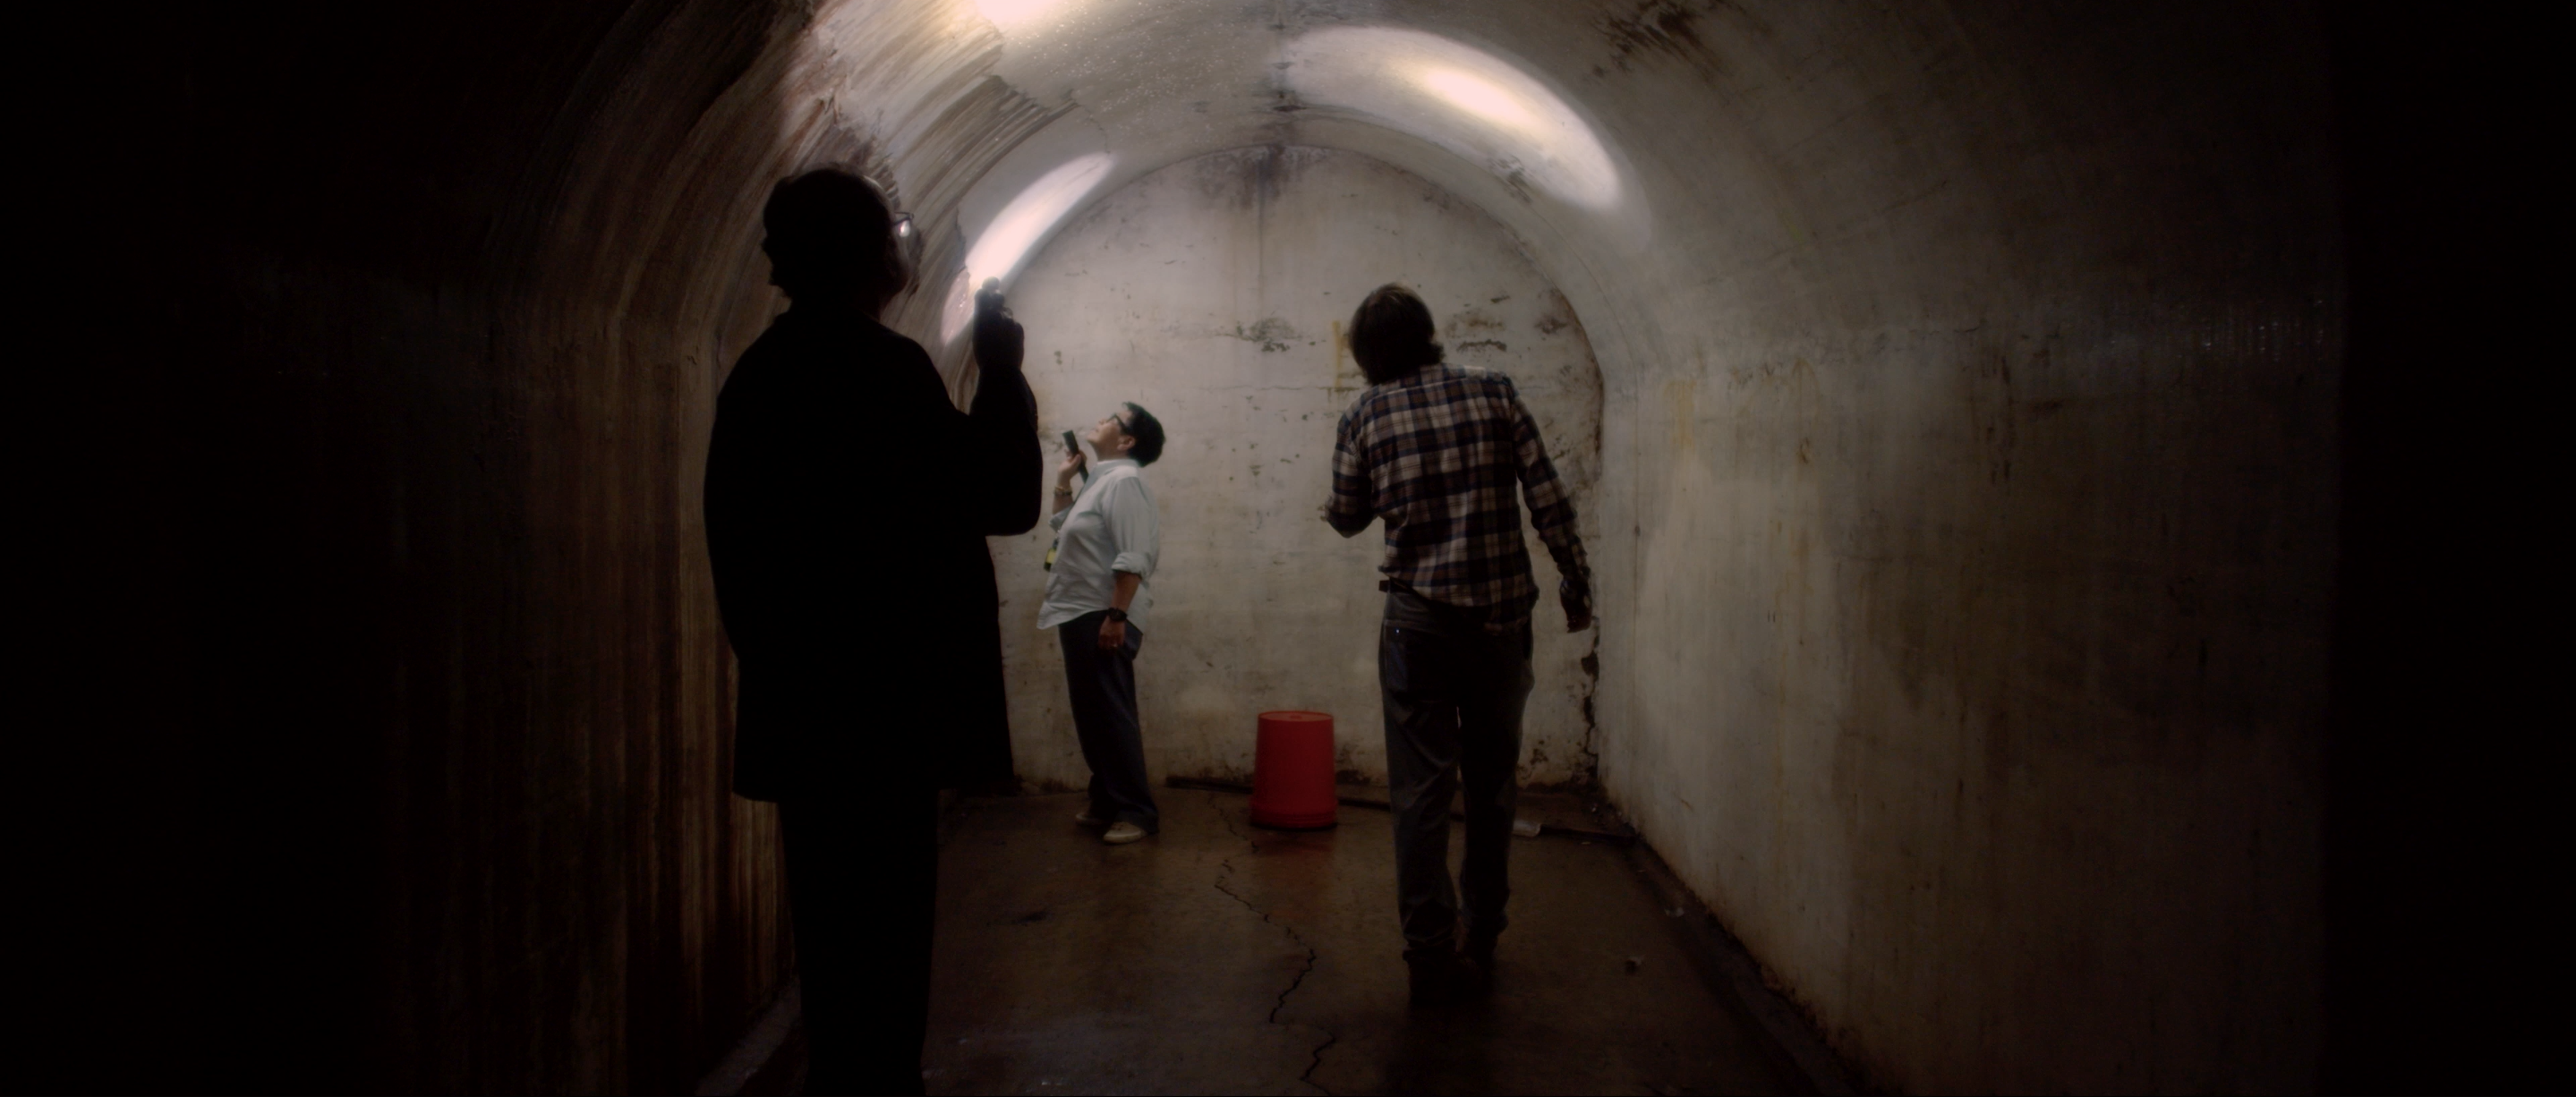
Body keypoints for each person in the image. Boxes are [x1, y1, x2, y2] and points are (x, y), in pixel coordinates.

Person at [702, 168, 1040, 1093]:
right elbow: (1004, 497)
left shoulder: (760, 378)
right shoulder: (881, 371)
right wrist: (1003, 373)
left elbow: (741, 552)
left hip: (806, 712)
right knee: (886, 945)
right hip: (888, 717)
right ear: (872, 257)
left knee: (830, 937)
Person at [1324, 284, 1592, 1006]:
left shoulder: (1365, 414)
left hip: (1420, 625)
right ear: (1431, 334)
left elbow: (1347, 517)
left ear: (1368, 353)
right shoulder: (1495, 393)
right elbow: (1547, 496)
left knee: (1420, 793)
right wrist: (1574, 578)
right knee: (1492, 785)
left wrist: (1369, 493)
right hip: (1502, 622)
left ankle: (1428, 954)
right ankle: (1485, 930)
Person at [1038, 403, 1166, 845]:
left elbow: (1134, 554)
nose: (1102, 419)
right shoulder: (1101, 483)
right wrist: (1062, 482)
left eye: (1114, 417)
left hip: (1101, 612)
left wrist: (1117, 615)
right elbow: (1065, 529)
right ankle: (1107, 800)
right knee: (1092, 717)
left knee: (1111, 714)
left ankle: (1137, 811)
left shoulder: (1126, 482)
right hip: (1080, 610)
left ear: (1127, 441)